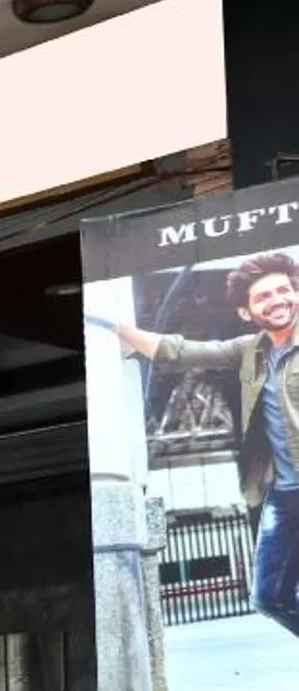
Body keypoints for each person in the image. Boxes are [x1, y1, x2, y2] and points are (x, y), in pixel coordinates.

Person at [111, 252, 299, 637]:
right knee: (268, 596)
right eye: (264, 296)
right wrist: (114, 329)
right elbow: (182, 351)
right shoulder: (249, 350)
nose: (278, 300)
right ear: (246, 312)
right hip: (284, 493)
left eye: (285, 290)